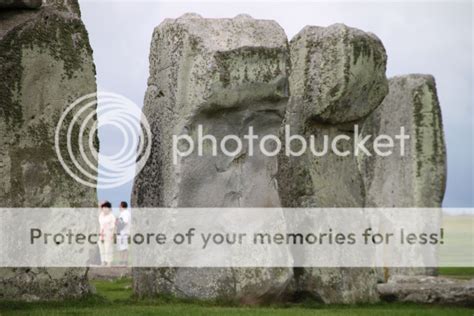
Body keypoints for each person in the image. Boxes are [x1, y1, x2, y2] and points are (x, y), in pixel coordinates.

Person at [98, 201, 116, 266]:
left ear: (109, 208)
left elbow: (113, 226)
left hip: (109, 232)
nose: (105, 209)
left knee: (108, 248)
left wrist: (113, 235)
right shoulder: (101, 215)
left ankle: (109, 262)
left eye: (107, 207)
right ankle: (103, 261)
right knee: (101, 247)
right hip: (101, 233)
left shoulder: (111, 216)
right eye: (104, 207)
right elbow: (100, 224)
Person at [116, 201, 131, 266]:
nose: (118, 207)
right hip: (120, 233)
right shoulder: (122, 213)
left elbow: (125, 222)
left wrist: (118, 224)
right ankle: (122, 261)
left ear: (122, 206)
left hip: (124, 233)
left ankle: (125, 261)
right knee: (121, 248)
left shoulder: (126, 213)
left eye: (119, 205)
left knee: (124, 248)